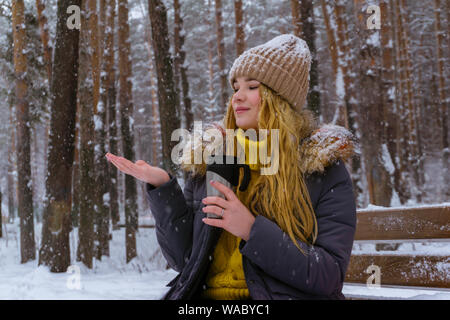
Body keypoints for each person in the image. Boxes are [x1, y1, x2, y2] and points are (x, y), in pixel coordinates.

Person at [106, 34, 358, 300]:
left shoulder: (320, 171)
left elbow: (328, 276)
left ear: (279, 99)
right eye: (235, 87)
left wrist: (252, 230)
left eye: (252, 87)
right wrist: (162, 188)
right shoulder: (216, 161)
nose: (237, 96)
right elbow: (186, 262)